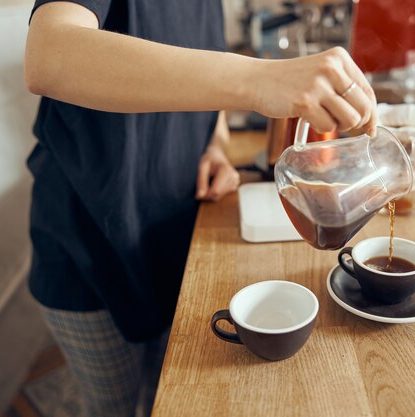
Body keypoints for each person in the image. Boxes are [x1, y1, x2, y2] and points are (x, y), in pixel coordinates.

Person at [24, 1, 377, 416]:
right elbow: (48, 56)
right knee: (112, 406)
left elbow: (202, 91)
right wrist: (259, 78)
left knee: (163, 391)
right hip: (88, 242)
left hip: (175, 230)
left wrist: (216, 145)